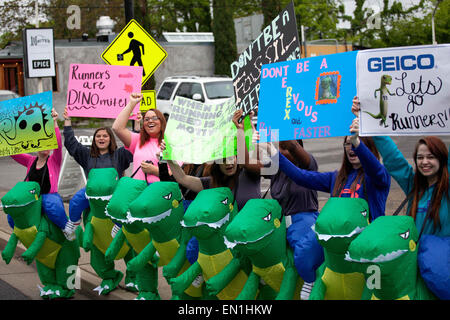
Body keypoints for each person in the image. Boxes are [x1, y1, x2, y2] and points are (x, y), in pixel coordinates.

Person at [351, 97, 449, 237]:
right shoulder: (413, 184)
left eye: (431, 157)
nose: (425, 162)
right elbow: (393, 157)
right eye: (420, 158)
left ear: (442, 159)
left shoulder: (447, 187)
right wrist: (369, 120)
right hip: (413, 258)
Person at [63, 106, 134, 238]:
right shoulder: (87, 155)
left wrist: (137, 123)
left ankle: (118, 224)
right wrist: (67, 121)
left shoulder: (120, 155)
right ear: (94, 140)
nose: (101, 138)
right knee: (75, 201)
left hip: (114, 194)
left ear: (110, 139)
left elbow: (134, 144)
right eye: (98, 136)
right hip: (91, 193)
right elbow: (71, 143)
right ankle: (73, 222)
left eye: (105, 136)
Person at [8, 108, 70, 238]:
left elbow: (58, 144)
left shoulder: (54, 160)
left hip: (49, 196)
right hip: (31, 197)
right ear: (36, 145)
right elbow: (13, 152)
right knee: (12, 212)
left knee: (52, 204)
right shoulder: (30, 160)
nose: (46, 146)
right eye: (42, 143)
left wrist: (54, 122)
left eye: (48, 143)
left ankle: (67, 229)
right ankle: (21, 233)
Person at [112, 93, 166, 184]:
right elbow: (117, 128)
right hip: (137, 191)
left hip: (160, 193)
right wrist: (132, 103)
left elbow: (176, 175)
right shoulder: (138, 140)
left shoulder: (170, 143)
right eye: (146, 119)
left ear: (162, 122)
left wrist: (154, 170)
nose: (150, 121)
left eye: (154, 118)